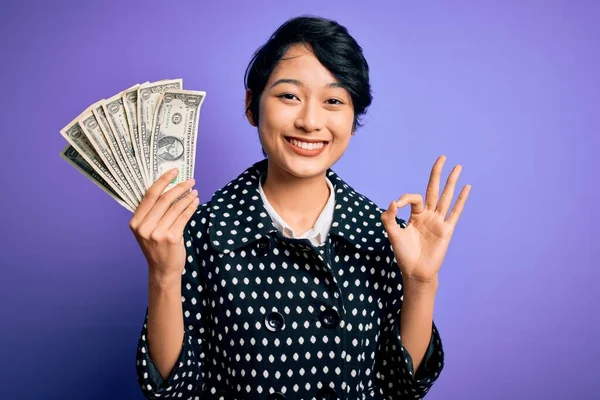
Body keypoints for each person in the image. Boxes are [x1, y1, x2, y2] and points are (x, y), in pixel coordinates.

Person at [130, 15, 471, 400]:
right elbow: (177, 391)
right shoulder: (199, 230)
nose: (310, 121)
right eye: (289, 96)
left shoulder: (383, 234)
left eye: (333, 101)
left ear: (353, 119)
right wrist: (162, 274)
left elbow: (398, 387)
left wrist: (421, 283)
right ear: (251, 104)